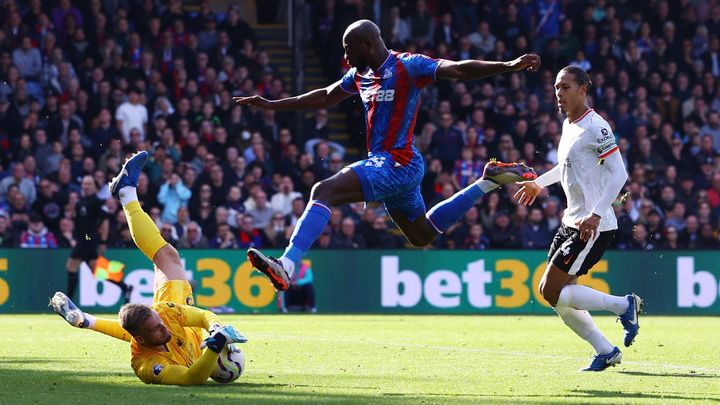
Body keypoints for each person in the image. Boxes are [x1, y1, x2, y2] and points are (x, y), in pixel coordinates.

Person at [234, 19, 541, 291]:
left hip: (399, 160)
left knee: (323, 190)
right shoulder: (358, 75)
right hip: (395, 166)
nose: (345, 56)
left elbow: (457, 68)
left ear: (367, 44)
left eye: (348, 49)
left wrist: (507, 65)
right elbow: (326, 96)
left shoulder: (409, 65)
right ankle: (487, 182)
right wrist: (272, 105)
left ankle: (288, 264)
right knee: (421, 235)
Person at [50, 151, 246, 385]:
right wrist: (214, 349)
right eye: (157, 327)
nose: (164, 325)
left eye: (91, 183)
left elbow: (202, 315)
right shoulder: (145, 364)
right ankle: (107, 292)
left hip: (92, 242)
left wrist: (215, 329)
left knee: (165, 256)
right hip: (83, 242)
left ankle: (125, 195)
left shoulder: (163, 314)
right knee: (88, 267)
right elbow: (190, 379)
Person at [514, 66, 643, 372]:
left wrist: (596, 215)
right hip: (572, 221)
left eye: (566, 87)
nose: (559, 94)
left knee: (550, 291)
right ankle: (606, 350)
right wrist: (539, 183)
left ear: (583, 89)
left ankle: (624, 305)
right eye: (557, 87)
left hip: (592, 226)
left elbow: (619, 173)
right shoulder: (568, 125)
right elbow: (567, 167)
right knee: (558, 298)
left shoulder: (597, 127)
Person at [66, 176, 108, 300]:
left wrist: (103, 241)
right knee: (97, 271)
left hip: (89, 237)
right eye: (84, 184)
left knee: (71, 265)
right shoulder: (80, 202)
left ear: (94, 186)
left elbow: (105, 220)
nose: (86, 186)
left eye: (89, 184)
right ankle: (124, 286)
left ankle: (69, 301)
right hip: (82, 237)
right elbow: (79, 223)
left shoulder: (97, 202)